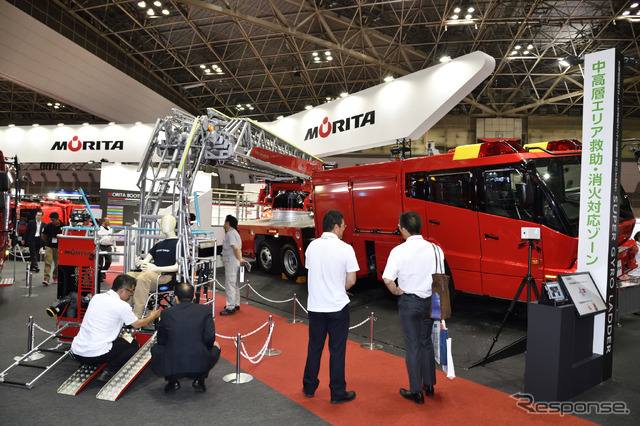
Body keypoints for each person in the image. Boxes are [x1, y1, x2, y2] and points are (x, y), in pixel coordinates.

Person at [382, 211, 442, 404]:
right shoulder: (435, 249)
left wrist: (396, 291)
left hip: (409, 302)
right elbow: (440, 277)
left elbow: (387, 279)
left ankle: (416, 391)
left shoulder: (398, 251)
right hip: (430, 301)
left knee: (413, 345)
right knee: (426, 342)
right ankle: (430, 385)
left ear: (404, 229)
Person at [302, 209, 359, 404]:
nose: (344, 229)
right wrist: (337, 288)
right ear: (335, 226)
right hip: (337, 307)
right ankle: (337, 393)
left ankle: (309, 386)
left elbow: (313, 272)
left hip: (316, 306)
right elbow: (351, 281)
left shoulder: (312, 247)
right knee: (337, 351)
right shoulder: (346, 249)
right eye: (343, 225)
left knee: (314, 348)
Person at [70, 274, 160, 381]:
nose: (131, 295)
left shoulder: (96, 297)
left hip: (76, 351)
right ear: (122, 290)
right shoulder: (122, 306)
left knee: (125, 337)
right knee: (133, 344)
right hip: (95, 354)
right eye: (131, 292)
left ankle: (89, 363)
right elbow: (137, 324)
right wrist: (152, 316)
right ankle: (109, 370)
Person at [151, 283, 221, 393]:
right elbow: (209, 338)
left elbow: (161, 340)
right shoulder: (205, 310)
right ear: (193, 296)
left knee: (155, 348)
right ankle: (200, 379)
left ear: (176, 297)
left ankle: (172, 381)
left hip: (173, 365)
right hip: (199, 363)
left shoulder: (166, 313)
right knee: (216, 346)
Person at [128, 215, 178, 318]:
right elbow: (146, 260)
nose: (163, 225)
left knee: (143, 278)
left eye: (166, 222)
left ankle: (137, 315)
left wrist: (156, 268)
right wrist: (140, 263)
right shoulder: (159, 245)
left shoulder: (179, 244)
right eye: (163, 222)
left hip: (165, 276)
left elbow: (177, 267)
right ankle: (125, 310)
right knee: (127, 277)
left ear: (173, 225)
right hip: (150, 274)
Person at [219, 214, 248, 316]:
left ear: (228, 223)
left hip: (232, 261)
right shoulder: (234, 233)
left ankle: (230, 307)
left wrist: (240, 259)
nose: (224, 224)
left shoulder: (231, 234)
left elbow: (235, 248)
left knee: (230, 284)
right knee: (234, 284)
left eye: (225, 222)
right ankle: (236, 303)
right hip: (234, 261)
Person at [41, 211, 63, 286]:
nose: (51, 221)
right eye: (51, 220)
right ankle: (46, 278)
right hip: (49, 246)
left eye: (53, 220)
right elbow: (43, 236)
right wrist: (47, 242)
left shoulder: (63, 226)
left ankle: (56, 277)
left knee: (57, 263)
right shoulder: (48, 226)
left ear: (57, 219)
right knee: (48, 262)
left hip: (58, 247)